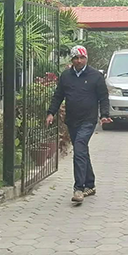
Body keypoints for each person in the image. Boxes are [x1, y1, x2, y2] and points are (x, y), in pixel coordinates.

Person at [47, 45, 111, 205]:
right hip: (72, 120)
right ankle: (90, 184)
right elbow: (58, 96)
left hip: (88, 120)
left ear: (86, 58)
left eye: (82, 58)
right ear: (72, 60)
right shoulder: (66, 76)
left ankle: (79, 189)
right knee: (82, 151)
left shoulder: (96, 76)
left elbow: (103, 97)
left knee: (79, 149)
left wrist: (104, 115)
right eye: (76, 58)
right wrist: (51, 113)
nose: (79, 61)